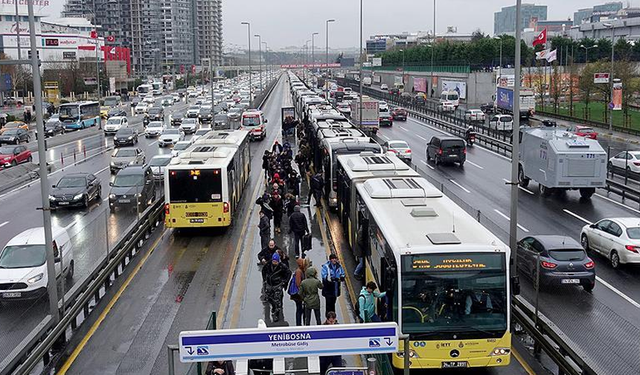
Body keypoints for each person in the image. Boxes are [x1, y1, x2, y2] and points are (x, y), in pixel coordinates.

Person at [262, 253, 291, 322]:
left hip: (277, 285)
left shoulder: (282, 266)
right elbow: (264, 271)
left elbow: (288, 273)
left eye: (276, 261)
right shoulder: (268, 264)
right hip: (269, 284)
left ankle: (276, 314)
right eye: (273, 261)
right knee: (269, 298)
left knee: (277, 300)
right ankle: (274, 307)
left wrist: (284, 281)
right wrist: (265, 280)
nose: (274, 262)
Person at [290, 257, 310, 326]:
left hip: (300, 294)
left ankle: (301, 323)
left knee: (302, 309)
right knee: (299, 309)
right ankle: (299, 324)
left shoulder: (302, 270)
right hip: (298, 294)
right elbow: (298, 284)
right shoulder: (299, 271)